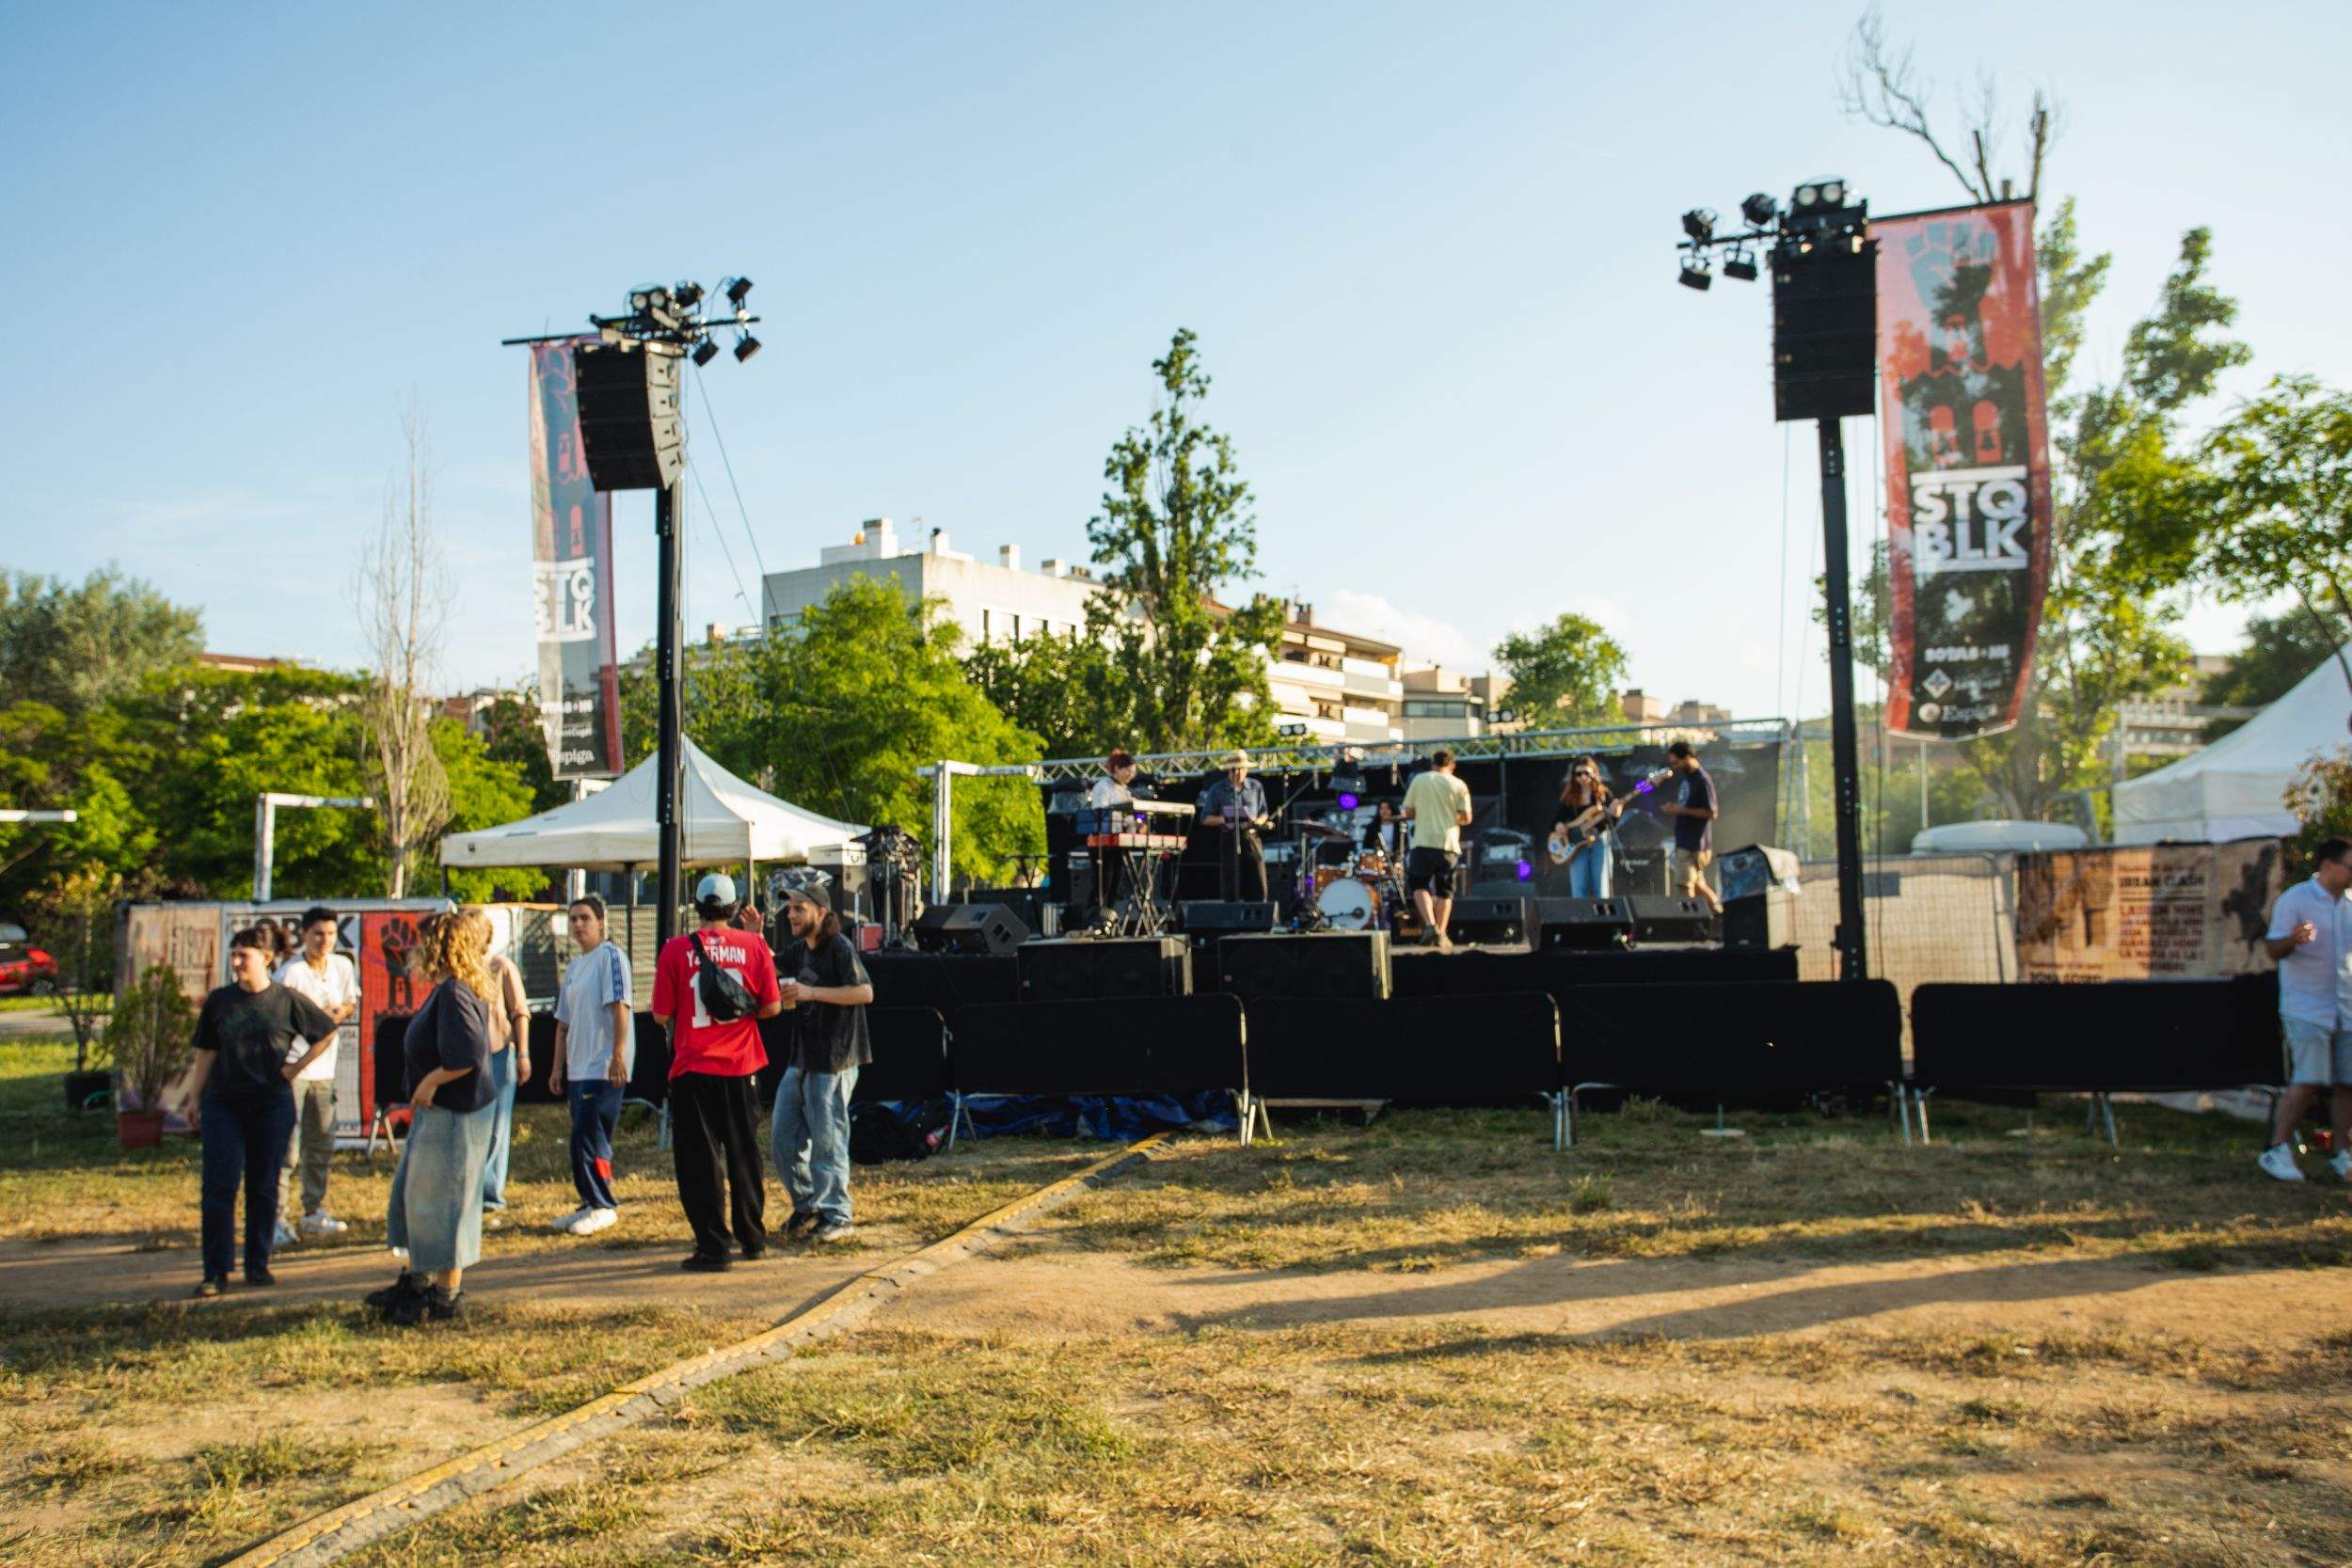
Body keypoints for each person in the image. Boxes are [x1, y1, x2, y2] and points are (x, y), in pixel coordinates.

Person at [183, 926, 340, 1297]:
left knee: (264, 1183)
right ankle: (216, 1271)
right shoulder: (220, 1001)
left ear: (266, 958)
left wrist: (294, 1069)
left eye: (244, 955)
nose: (236, 962)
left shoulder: (286, 1000)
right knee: (219, 1185)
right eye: (233, 954)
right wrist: (193, 1097)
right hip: (224, 1102)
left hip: (271, 1103)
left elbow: (326, 1031)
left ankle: (258, 1264)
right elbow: (206, 1051)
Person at [370, 911, 501, 1325]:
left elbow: (466, 1053)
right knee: (421, 1199)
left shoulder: (456, 992)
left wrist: (430, 1083)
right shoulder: (450, 988)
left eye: (425, 941)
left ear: (443, 946)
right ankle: (418, 1280)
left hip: (453, 1113)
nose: (416, 950)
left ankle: (444, 1294)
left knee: (444, 1203)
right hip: (445, 1112)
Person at [652, 872, 783, 1271]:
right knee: (744, 1153)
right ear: (732, 906)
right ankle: (753, 1237)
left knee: (700, 1160)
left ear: (697, 906)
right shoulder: (754, 946)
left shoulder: (675, 951)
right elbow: (772, 1007)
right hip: (742, 1066)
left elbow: (660, 1014)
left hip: (693, 1067)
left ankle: (713, 1247)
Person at [770, 883, 876, 1243]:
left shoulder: (839, 948)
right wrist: (754, 938)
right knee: (783, 1137)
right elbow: (769, 963)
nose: (791, 915)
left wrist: (812, 993)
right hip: (802, 1058)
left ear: (820, 911)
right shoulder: (801, 950)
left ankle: (838, 1214)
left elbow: (865, 992)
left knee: (828, 1140)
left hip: (834, 1060)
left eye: (799, 908)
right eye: (789, 909)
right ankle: (807, 1205)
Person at [2258, 838, 2352, 1181]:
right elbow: (2272, 949)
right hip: (2307, 1007)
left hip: (2345, 1008)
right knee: (2308, 1079)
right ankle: (2277, 1149)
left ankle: (2343, 1154)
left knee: (2348, 1083)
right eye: (2350, 866)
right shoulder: (2296, 899)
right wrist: (2293, 940)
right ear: (2329, 865)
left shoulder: (2349, 905)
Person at [272, 906, 358, 1244]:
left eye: (331, 934)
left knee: (321, 1141)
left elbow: (352, 1001)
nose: (325, 941)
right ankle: (276, 1217)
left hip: (326, 1068)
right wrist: (312, 1020)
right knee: (286, 1148)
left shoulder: (342, 966)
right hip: (294, 1066)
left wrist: (339, 1012)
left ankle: (313, 1210)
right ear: (303, 935)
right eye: (318, 934)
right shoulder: (290, 973)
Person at [549, 895, 632, 1234]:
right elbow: (562, 1022)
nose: (579, 924)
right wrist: (557, 1067)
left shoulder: (610, 957)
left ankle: (603, 1204)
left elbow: (620, 1007)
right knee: (578, 1137)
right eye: (573, 919)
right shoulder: (574, 966)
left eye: (585, 918)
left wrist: (617, 1054)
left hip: (602, 1066)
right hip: (578, 1068)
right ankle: (588, 1200)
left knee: (592, 1135)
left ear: (601, 922)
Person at [470, 909, 532, 1228]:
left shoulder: (502, 966)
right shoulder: (461, 970)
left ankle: (491, 1194)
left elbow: (520, 1011)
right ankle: (470, 1191)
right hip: (469, 1059)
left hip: (498, 1053)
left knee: (497, 1126)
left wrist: (523, 1053)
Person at [1401, 748, 1474, 950]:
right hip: (1448, 844)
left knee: (1419, 886)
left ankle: (1430, 925)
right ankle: (1441, 934)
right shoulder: (1458, 784)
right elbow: (1467, 817)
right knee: (1445, 892)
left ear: (1432, 763)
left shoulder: (1419, 780)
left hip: (1422, 841)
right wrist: (1451, 816)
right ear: (1452, 765)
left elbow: (1408, 811)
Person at [1200, 750, 1272, 903]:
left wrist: (1257, 820)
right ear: (1228, 771)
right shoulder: (1217, 789)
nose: (1238, 772)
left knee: (1257, 878)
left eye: (1241, 769)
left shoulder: (1255, 786)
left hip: (1251, 836)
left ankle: (1258, 911)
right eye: (1234, 769)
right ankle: (1232, 912)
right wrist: (1225, 818)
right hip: (1229, 836)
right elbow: (1205, 818)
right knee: (1231, 877)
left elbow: (1264, 812)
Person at [1661, 740, 1722, 915]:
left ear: (1688, 757)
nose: (1675, 767)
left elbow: (1712, 812)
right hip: (1686, 841)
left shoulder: (1702, 780)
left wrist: (1682, 810)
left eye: (1676, 762)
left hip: (1694, 844)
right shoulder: (1688, 779)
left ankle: (1692, 921)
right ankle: (1721, 912)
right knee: (1698, 884)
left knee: (1684, 885)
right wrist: (1675, 808)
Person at [1550, 757, 1624, 899]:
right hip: (1577, 846)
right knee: (1579, 890)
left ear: (1594, 773)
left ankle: (1603, 920)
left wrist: (1616, 815)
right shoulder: (1570, 797)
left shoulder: (1603, 795)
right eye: (1578, 774)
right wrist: (1558, 825)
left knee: (1601, 890)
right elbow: (1556, 820)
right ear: (1573, 776)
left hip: (1599, 843)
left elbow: (1610, 825)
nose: (1583, 777)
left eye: (1586, 773)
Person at [1089, 749, 1141, 925]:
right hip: (1102, 842)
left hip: (1119, 842)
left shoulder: (1125, 791)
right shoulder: (1103, 786)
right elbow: (1101, 813)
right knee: (1103, 881)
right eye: (1128, 770)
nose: (1130, 775)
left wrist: (1139, 822)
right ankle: (1094, 919)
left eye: (1133, 772)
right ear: (1117, 768)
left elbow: (1134, 814)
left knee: (1116, 884)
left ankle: (1107, 919)